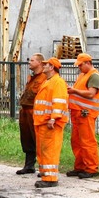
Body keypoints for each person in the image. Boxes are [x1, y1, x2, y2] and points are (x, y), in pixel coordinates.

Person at [32, 57, 68, 188]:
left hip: (50, 123)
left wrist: (54, 118)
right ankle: (45, 174)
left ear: (52, 67)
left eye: (46, 64)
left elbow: (59, 102)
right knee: (42, 150)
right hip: (43, 122)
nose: (44, 66)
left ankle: (50, 178)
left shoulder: (57, 82)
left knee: (49, 150)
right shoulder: (49, 81)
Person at [67, 52, 99, 179]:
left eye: (80, 65)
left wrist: (74, 90)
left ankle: (91, 168)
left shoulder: (94, 76)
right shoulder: (83, 74)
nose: (79, 68)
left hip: (85, 113)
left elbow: (90, 94)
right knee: (76, 141)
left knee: (87, 141)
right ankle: (81, 167)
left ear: (88, 63)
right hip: (78, 112)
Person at [16, 53, 46, 174]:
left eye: (32, 60)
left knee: (38, 139)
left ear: (39, 62)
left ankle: (44, 167)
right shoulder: (32, 77)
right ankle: (29, 165)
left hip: (35, 111)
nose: (29, 62)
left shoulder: (44, 78)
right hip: (25, 111)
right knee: (27, 139)